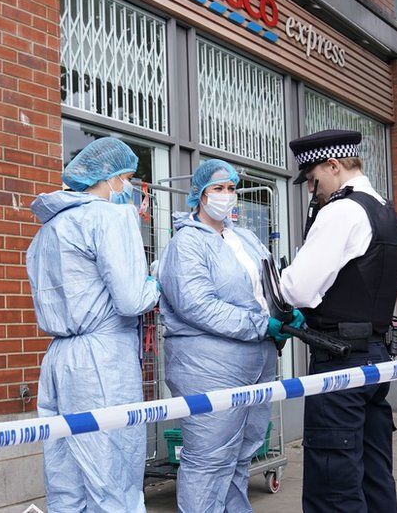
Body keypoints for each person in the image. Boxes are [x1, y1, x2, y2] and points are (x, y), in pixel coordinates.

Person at [158, 159, 303, 512]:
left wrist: (284, 311)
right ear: (199, 195)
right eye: (217, 189)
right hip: (208, 367)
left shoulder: (245, 238)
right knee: (209, 461)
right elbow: (197, 305)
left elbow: (268, 284)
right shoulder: (187, 243)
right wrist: (259, 325)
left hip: (256, 361)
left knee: (242, 454)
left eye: (231, 188)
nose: (227, 196)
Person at [26, 136, 160, 512]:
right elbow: (132, 299)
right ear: (110, 178)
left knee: (65, 479)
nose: (130, 188)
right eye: (129, 178)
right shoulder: (110, 217)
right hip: (102, 362)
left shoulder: (47, 231)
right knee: (112, 477)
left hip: (57, 360)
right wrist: (156, 284)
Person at [279, 129, 397, 513]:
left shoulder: (341, 211)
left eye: (312, 179)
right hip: (376, 356)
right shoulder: (385, 209)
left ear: (333, 166)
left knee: (333, 486)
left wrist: (276, 283)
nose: (310, 191)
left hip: (341, 363)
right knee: (374, 477)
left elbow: (297, 289)